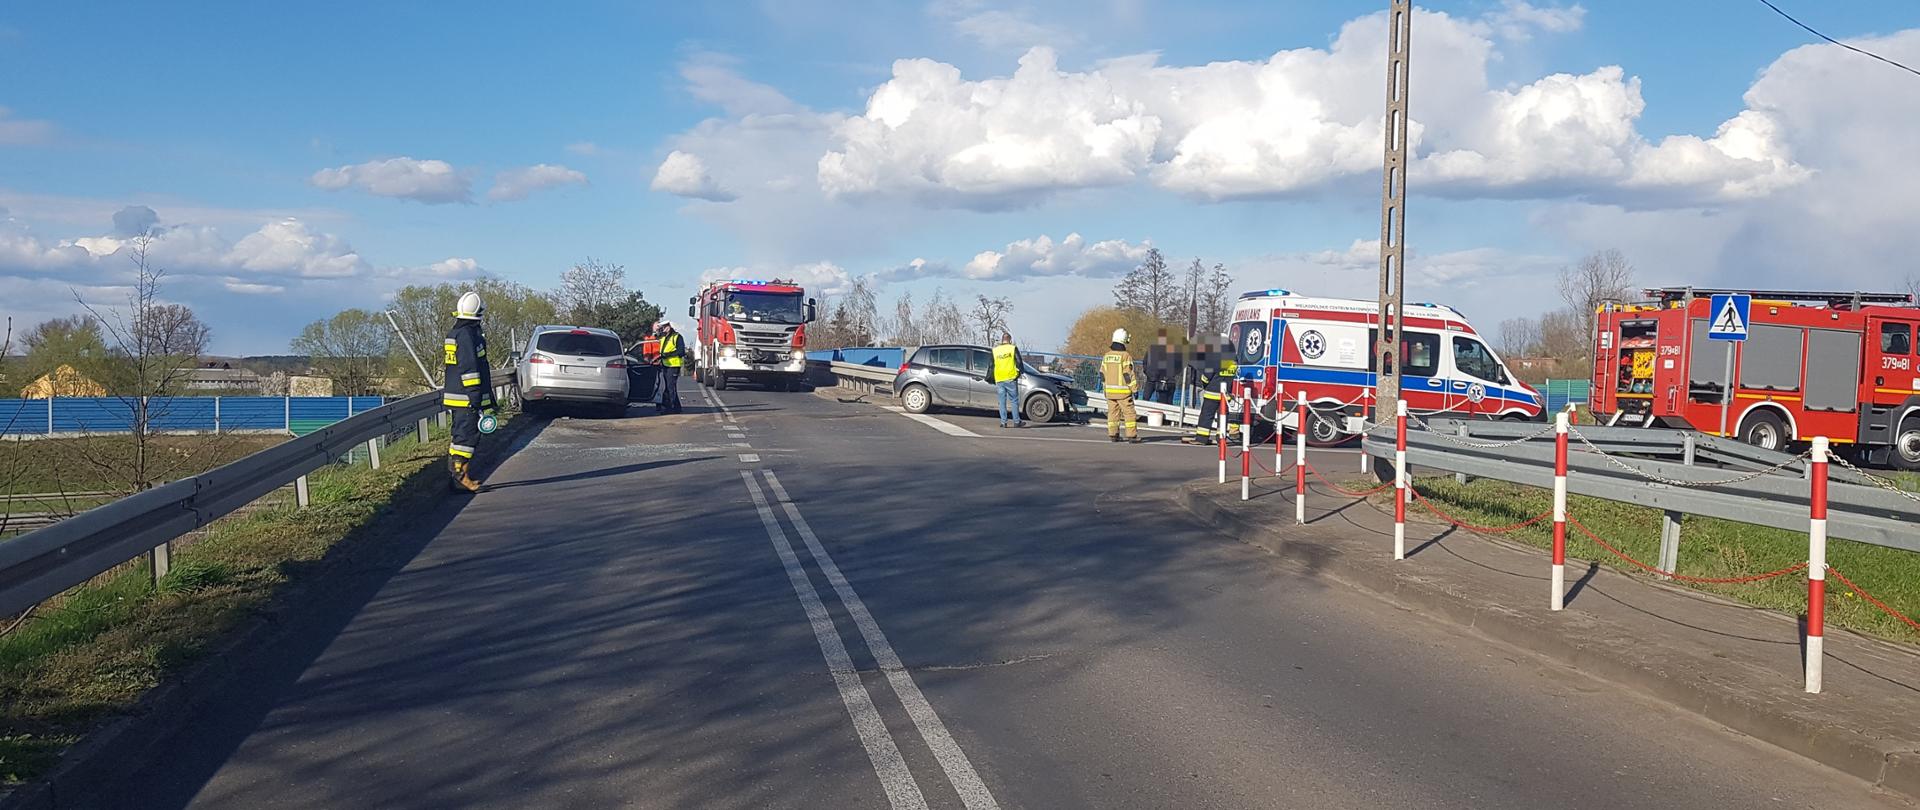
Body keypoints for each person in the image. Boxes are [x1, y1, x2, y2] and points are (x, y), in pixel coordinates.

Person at [442, 291, 494, 492]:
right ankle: (460, 477)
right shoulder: (466, 335)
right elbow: (469, 366)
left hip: (459, 396)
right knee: (466, 438)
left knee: (461, 436)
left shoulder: (456, 332)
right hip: (466, 397)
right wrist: (475, 395)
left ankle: (459, 475)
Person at [1101, 328, 1141, 443]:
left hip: (1109, 392)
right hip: (1123, 393)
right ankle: (1132, 436)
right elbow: (1128, 374)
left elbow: (1102, 374)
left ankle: (1113, 435)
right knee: (1129, 414)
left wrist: (1105, 388)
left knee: (1113, 414)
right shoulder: (1125, 356)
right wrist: (1134, 389)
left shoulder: (1107, 355)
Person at [992, 331, 1024, 428]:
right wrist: (1020, 372)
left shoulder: (995, 350)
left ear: (1002, 340)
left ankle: (1003, 422)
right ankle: (1016, 421)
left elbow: (991, 365)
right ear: (1010, 340)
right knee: (1014, 400)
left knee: (1002, 401)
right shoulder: (1012, 348)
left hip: (1000, 378)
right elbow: (1019, 361)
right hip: (1010, 378)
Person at [655, 320, 686, 414]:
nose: (662, 329)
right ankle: (677, 407)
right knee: (670, 387)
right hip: (665, 365)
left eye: (664, 327)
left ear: (669, 326)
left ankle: (669, 408)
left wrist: (668, 355)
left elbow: (681, 352)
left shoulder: (677, 337)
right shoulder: (664, 338)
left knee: (670, 388)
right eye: (661, 328)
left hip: (673, 365)